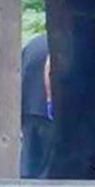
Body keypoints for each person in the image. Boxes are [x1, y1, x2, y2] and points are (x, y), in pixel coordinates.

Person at [19, 32, 58, 178]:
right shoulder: (62, 45)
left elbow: (19, 76)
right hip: (50, 114)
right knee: (48, 170)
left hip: (29, 111)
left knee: (28, 167)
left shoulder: (33, 45)